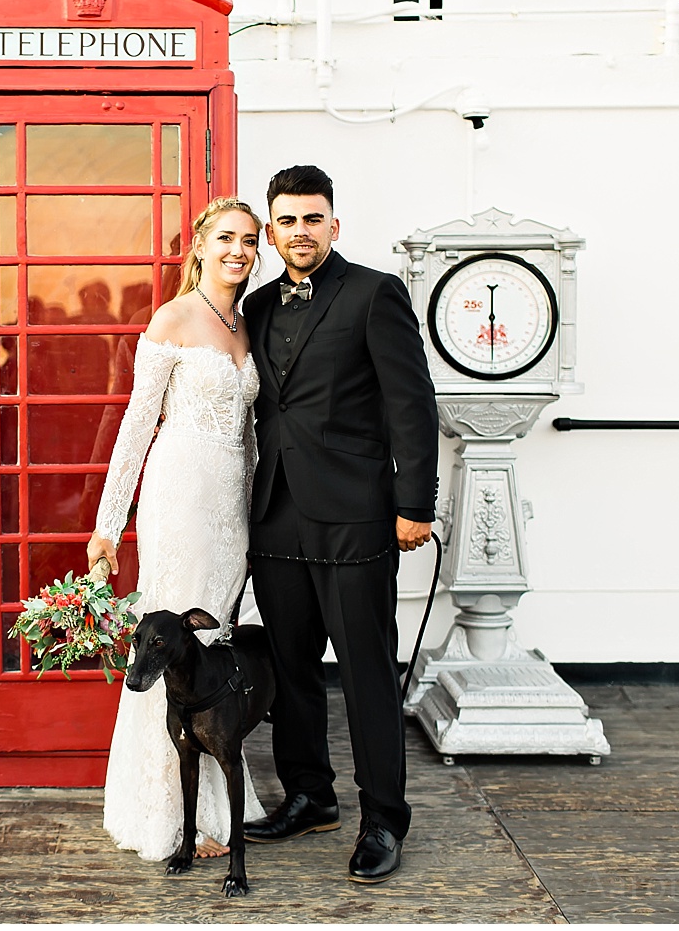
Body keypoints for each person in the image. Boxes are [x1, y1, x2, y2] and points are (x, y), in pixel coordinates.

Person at [240, 165, 438, 884]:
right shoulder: (255, 306)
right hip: (275, 514)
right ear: (271, 229)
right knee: (291, 672)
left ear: (334, 224)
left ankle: (383, 816)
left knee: (364, 676)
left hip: (355, 514)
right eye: (287, 220)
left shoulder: (374, 293)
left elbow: (410, 405)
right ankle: (308, 794)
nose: (300, 231)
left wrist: (413, 503)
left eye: (312, 218)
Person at [86, 197, 268, 862]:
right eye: (225, 237)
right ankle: (166, 810)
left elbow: (252, 433)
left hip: (232, 504)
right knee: (174, 649)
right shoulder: (173, 317)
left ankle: (217, 801)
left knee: (217, 645)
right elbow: (137, 424)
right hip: (180, 495)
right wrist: (108, 525)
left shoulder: (247, 323)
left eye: (250, 240)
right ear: (198, 245)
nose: (238, 250)